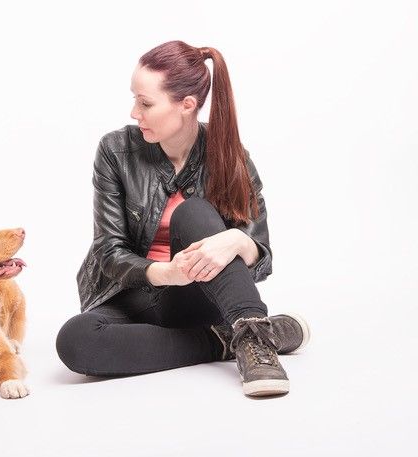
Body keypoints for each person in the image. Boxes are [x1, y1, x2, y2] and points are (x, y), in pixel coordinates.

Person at [55, 40, 310, 397]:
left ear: (187, 105)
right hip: (135, 295)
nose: (134, 112)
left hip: (196, 297)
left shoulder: (230, 156)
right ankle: (225, 341)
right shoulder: (116, 151)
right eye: (134, 100)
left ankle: (254, 338)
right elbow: (108, 251)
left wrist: (237, 240)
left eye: (146, 103)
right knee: (76, 340)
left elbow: (261, 258)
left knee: (194, 212)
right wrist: (166, 273)